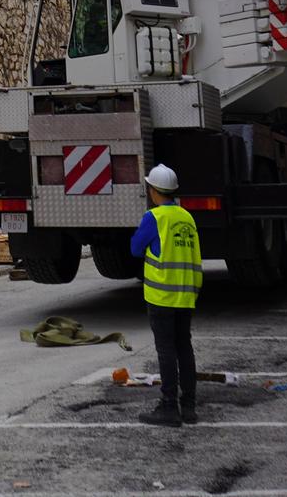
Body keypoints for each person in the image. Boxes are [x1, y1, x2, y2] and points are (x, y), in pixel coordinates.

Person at [131, 164, 202, 427]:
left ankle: (169, 406)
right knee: (185, 347)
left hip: (161, 296)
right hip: (186, 294)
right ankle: (190, 407)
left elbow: (136, 249)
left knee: (166, 350)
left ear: (152, 191)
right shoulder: (187, 218)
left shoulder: (155, 218)